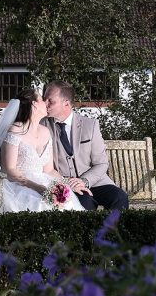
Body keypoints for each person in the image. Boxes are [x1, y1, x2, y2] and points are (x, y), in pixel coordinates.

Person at [0, 88, 86, 213]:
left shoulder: (45, 132)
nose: (46, 103)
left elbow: (49, 170)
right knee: (39, 203)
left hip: (43, 181)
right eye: (42, 100)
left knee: (66, 200)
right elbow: (9, 170)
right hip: (17, 184)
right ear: (34, 104)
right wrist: (38, 188)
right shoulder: (15, 131)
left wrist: (67, 184)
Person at [44, 80, 129, 211]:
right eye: (45, 99)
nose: (45, 104)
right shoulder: (42, 126)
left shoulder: (90, 125)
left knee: (120, 197)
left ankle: (114, 231)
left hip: (95, 182)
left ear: (66, 103)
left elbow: (101, 163)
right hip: (65, 184)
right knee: (85, 202)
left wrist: (84, 180)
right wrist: (67, 183)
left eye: (51, 101)